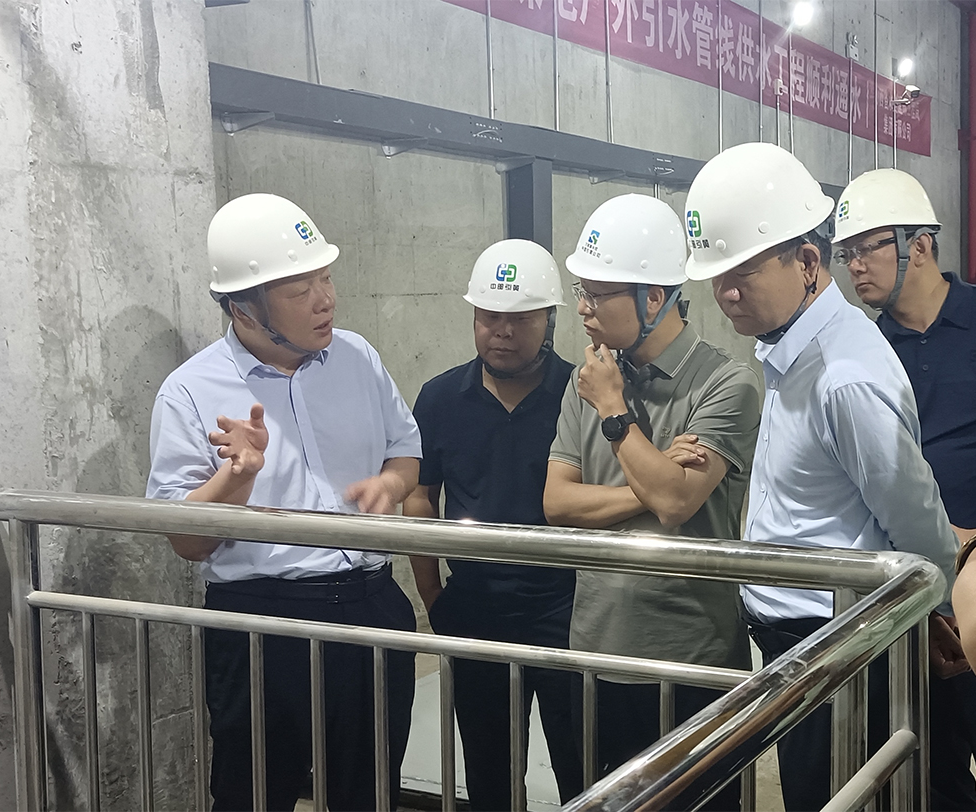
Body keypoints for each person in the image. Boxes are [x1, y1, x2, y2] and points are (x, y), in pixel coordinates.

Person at [683, 142, 960, 812]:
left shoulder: (844, 375)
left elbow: (915, 515)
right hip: (801, 644)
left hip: (836, 648)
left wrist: (938, 609)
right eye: (716, 276)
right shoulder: (794, 347)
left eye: (742, 273)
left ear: (807, 262)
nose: (725, 294)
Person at [145, 193, 422, 811]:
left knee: (370, 792)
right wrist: (236, 477)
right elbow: (186, 540)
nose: (325, 299)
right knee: (254, 793)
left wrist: (391, 486)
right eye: (300, 290)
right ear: (242, 307)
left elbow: (405, 451)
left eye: (326, 278)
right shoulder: (189, 391)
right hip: (263, 623)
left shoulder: (358, 358)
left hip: (371, 604)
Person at [542, 194, 758, 810]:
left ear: (654, 298)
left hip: (691, 661)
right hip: (595, 651)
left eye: (596, 295)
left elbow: (675, 504)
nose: (582, 309)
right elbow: (557, 502)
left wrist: (615, 412)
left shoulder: (727, 383)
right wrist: (652, 479)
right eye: (581, 292)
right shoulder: (587, 378)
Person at [403, 239, 582, 809]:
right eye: (488, 316)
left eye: (520, 318)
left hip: (567, 610)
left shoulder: (579, 394)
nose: (501, 332)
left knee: (584, 768)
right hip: (474, 609)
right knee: (489, 775)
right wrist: (434, 596)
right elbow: (420, 496)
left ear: (549, 320)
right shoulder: (439, 398)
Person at [835, 167, 976, 810]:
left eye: (866, 248)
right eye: (846, 253)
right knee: (929, 771)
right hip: (909, 594)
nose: (854, 267)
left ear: (918, 246)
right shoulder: (861, 349)